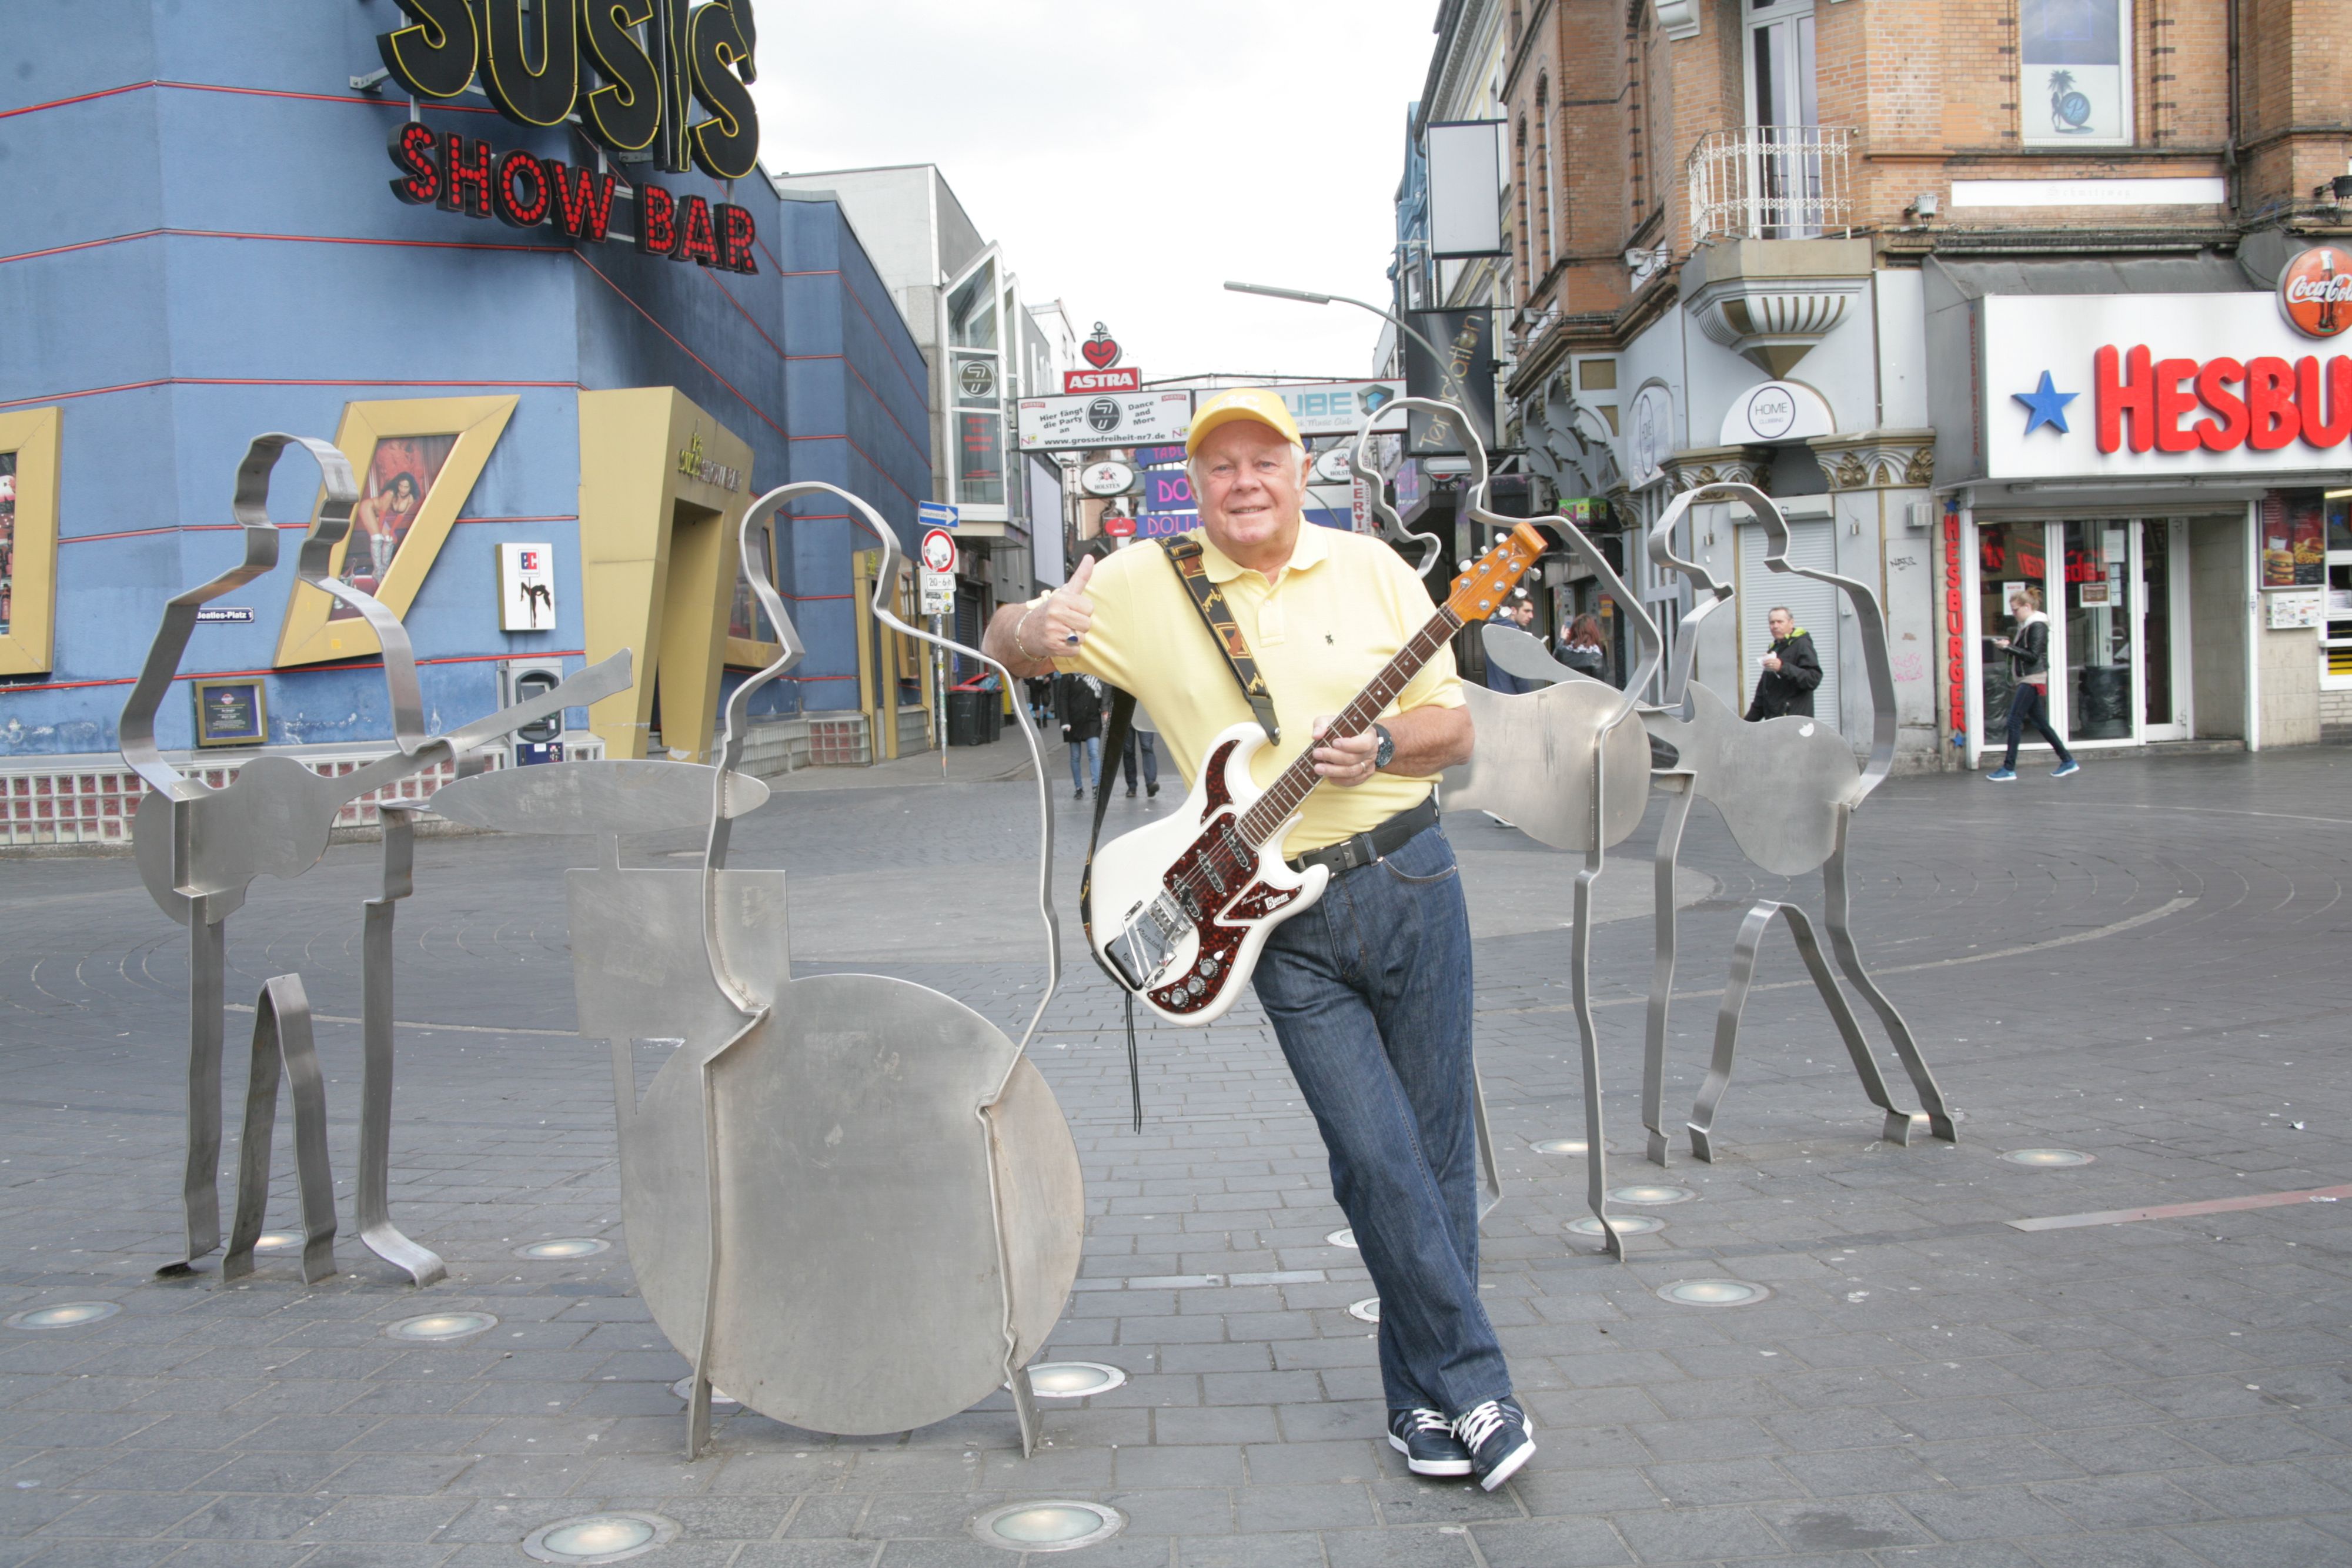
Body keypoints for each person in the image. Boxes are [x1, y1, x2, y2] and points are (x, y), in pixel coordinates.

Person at [983, 389, 1534, 1491]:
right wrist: (1032, 633)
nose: (1244, 482)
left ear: (1300, 470)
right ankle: (1480, 1384)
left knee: (1433, 1155)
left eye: (1264, 460)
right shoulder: (1142, 580)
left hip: (1414, 878)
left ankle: (1420, 1403)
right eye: (1221, 465)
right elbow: (1002, 640)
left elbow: (1455, 728)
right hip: (1276, 920)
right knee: (1373, 1154)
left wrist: (1384, 743)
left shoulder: (1376, 568)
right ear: (1194, 484)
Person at [1986, 586, 2080, 781]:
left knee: (2014, 720)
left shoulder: (2037, 625)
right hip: (2029, 677)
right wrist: (2008, 647)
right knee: (2040, 722)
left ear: (2027, 607)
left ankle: (2009, 768)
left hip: (2032, 678)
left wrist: (2008, 648)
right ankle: (2068, 761)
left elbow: (2033, 655)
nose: (2014, 614)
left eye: (2016, 610)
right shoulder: (2028, 625)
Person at [1745, 606, 1822, 720]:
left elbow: (1813, 679)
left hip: (1795, 722)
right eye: (1772, 623)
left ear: (1791, 623)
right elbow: (1762, 696)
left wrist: (1782, 668)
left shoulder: (1802, 644)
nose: (1775, 626)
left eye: (1780, 622)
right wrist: (1744, 725)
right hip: (1775, 723)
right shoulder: (1775, 649)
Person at [1055, 669, 1104, 799]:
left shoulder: (1095, 674)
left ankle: (1096, 787)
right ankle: (1079, 788)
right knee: (1075, 756)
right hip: (1073, 721)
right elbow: (1063, 698)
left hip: (1092, 720)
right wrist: (1065, 721)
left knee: (1094, 752)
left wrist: (1105, 710)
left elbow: (1104, 695)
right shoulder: (1069, 675)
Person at [1556, 613, 1611, 686]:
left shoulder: (1563, 653)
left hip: (1567, 691)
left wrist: (1562, 639)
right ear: (1593, 632)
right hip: (1588, 692)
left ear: (1573, 632)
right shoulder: (1596, 656)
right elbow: (1601, 685)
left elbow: (1553, 663)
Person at [1120, 726, 1160, 798]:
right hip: (1126, 719)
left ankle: (1151, 783)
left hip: (1144, 719)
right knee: (1128, 751)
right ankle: (1132, 786)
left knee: (1147, 747)